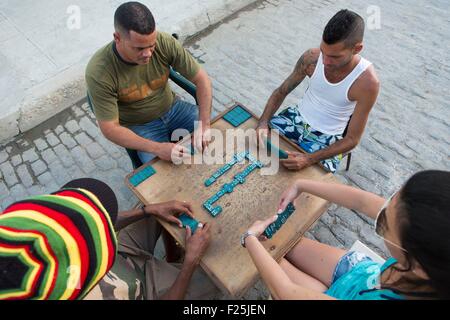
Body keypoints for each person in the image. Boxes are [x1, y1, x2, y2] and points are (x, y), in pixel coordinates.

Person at [242, 170, 450, 299]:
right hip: (361, 273)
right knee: (282, 243)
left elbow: (285, 292)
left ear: (419, 266)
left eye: (384, 225)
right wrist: (301, 185)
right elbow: (362, 201)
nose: (381, 213)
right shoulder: (428, 238)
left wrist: (250, 238)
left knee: (270, 257)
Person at [0, 178, 218, 300]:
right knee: (215, 280)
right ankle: (178, 267)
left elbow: (93, 222)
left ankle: (172, 259)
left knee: (160, 205)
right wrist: (190, 262)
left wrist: (147, 210)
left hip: (121, 252)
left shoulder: (14, 233)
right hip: (145, 289)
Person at [85, 1, 213, 164]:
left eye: (151, 46)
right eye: (139, 48)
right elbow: (110, 128)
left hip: (174, 109)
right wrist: (157, 148)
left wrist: (204, 124)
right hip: (140, 127)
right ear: (117, 38)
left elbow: (202, 79)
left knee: (214, 138)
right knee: (159, 176)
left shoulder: (164, 42)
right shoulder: (99, 71)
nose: (147, 54)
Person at [257, 9, 380, 173]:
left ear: (357, 49)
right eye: (324, 51)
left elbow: (352, 139)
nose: (326, 61)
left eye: (335, 57)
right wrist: (263, 122)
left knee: (302, 186)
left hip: (328, 139)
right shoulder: (311, 58)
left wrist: (309, 159)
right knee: (254, 150)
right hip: (294, 118)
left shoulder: (367, 83)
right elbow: (281, 92)